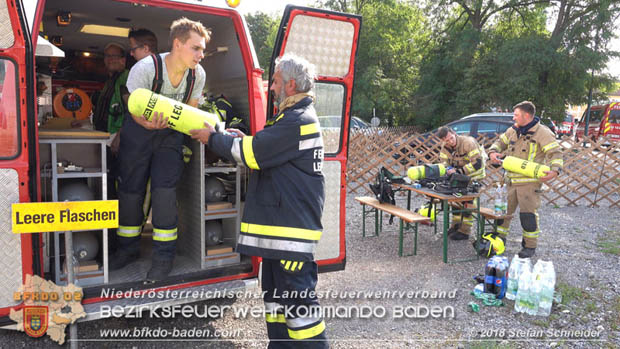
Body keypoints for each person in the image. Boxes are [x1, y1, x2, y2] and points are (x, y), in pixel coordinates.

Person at [189, 54, 328, 347]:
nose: (271, 87)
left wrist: (213, 138)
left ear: (290, 84)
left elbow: (254, 155)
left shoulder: (298, 120)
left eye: (275, 81)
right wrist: (244, 137)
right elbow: (265, 149)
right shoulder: (292, 118)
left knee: (299, 308)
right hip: (282, 235)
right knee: (276, 303)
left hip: (290, 236)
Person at [111, 18, 209, 281]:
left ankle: (164, 257)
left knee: (165, 195)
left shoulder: (197, 75)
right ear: (177, 44)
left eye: (202, 49)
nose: (201, 55)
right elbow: (134, 108)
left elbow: (191, 110)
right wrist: (147, 124)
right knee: (131, 191)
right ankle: (126, 250)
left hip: (170, 136)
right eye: (196, 48)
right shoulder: (145, 68)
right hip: (139, 131)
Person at [488, 101, 563, 258]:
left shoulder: (543, 132)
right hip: (509, 181)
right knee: (502, 214)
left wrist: (555, 171)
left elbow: (555, 153)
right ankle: (499, 241)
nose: (513, 117)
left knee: (528, 215)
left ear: (527, 115)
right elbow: (499, 143)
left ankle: (529, 247)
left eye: (516, 114)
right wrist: (493, 152)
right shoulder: (513, 130)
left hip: (529, 183)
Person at [437, 126, 486, 240]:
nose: (450, 141)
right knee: (455, 201)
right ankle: (455, 226)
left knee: (467, 203)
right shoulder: (445, 147)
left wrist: (459, 171)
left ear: (454, 133)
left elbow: (478, 163)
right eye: (446, 140)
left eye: (451, 138)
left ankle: (465, 231)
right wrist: (448, 169)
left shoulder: (468, 142)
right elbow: (443, 162)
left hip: (473, 177)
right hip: (459, 177)